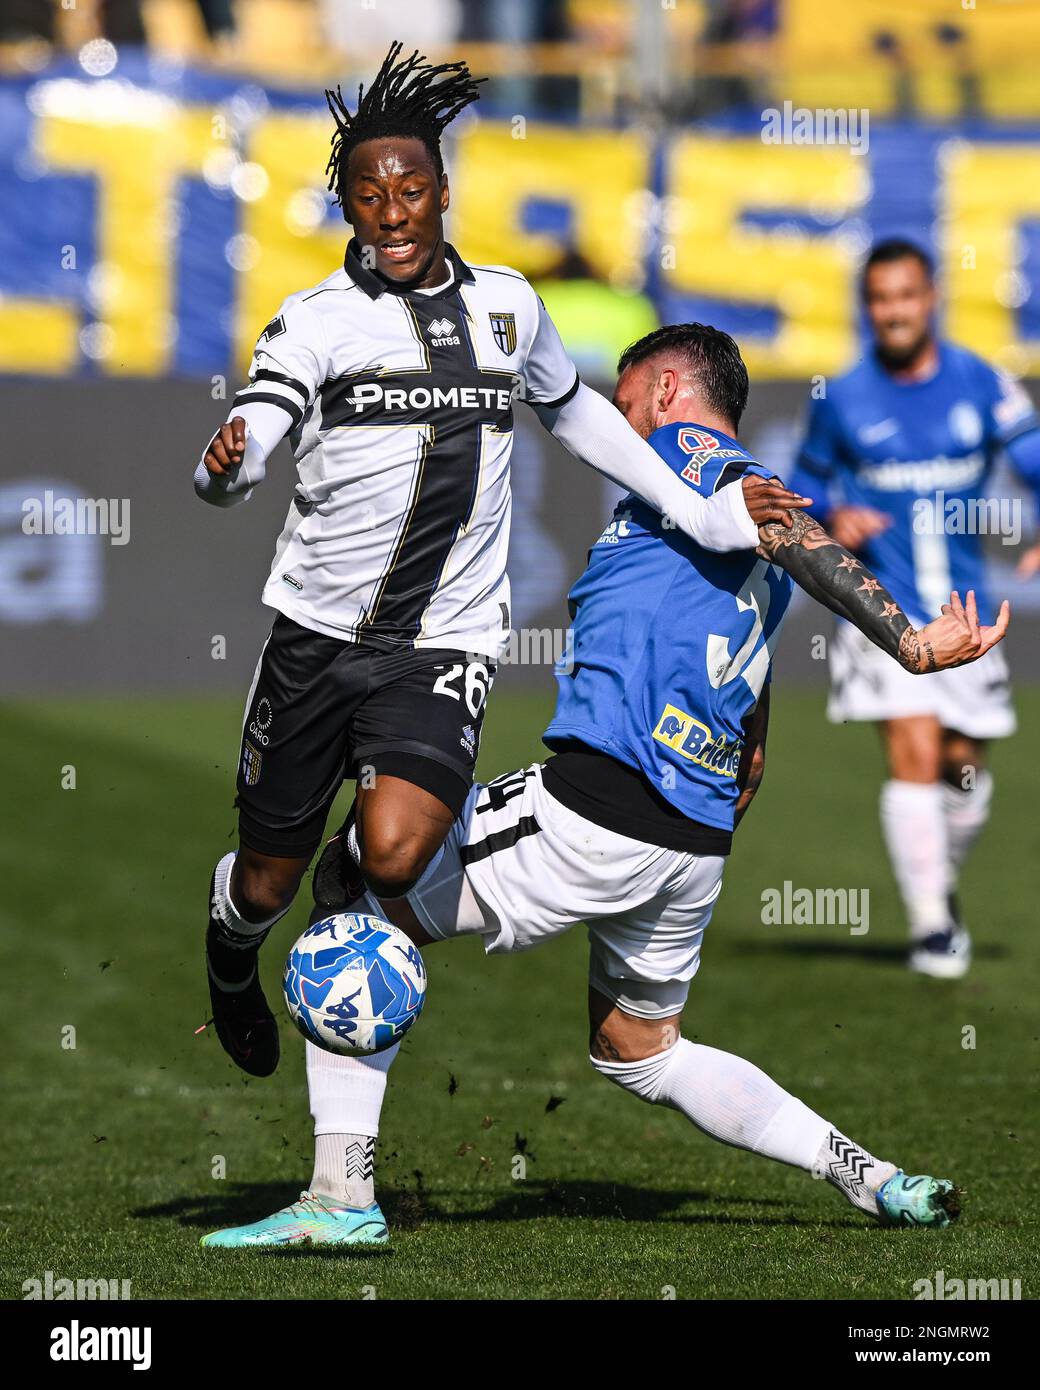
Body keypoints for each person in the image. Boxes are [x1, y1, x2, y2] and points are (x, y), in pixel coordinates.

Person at [198, 322, 1007, 1248]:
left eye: (624, 403)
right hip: (692, 839)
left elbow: (793, 533)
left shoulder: (690, 450)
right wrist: (753, 746)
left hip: (602, 804)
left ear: (666, 391)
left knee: (354, 891)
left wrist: (905, 638)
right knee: (639, 1049)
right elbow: (750, 621)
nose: (615, 426)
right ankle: (873, 1177)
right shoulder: (704, 503)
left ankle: (341, 1201)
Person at [194, 45, 807, 1080]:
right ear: (344, 204)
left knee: (391, 852)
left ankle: (348, 968)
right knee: (263, 879)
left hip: (444, 645)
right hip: (315, 638)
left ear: (441, 191)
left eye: (409, 189)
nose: (390, 212)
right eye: (367, 194)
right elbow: (258, 425)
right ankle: (231, 950)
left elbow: (581, 419)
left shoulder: (510, 307)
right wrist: (231, 465)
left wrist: (697, 512)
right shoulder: (314, 319)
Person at [789, 238, 1040, 977]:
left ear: (930, 298)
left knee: (964, 773)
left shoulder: (982, 383)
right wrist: (837, 515)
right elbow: (799, 491)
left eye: (905, 296)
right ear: (867, 309)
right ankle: (932, 927)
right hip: (881, 613)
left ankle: (940, 884)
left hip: (965, 611)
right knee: (915, 751)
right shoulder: (841, 398)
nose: (893, 312)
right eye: (879, 299)